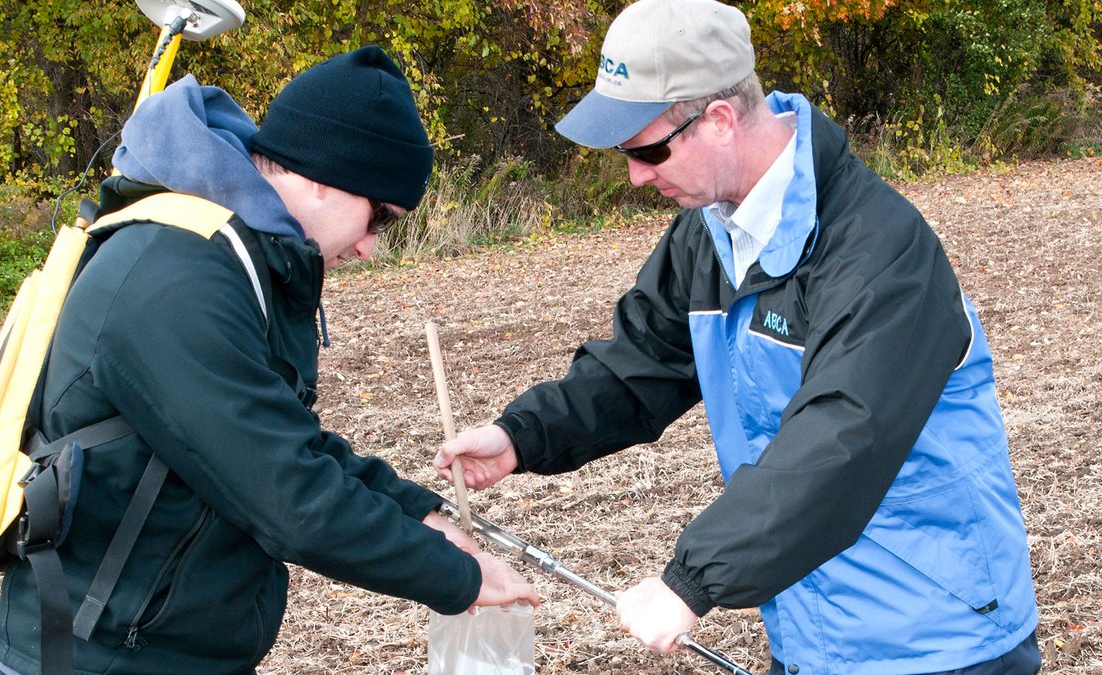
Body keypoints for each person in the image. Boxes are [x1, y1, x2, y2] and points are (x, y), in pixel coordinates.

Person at [434, 1, 1040, 673]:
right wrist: (522, 435)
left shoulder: (879, 252)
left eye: (647, 149)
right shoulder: (709, 235)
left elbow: (841, 438)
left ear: (719, 120)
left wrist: (691, 581)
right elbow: (639, 366)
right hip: (813, 637)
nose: (636, 174)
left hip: (939, 637)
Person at [0, 46, 538, 674]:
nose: (369, 247)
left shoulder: (234, 257)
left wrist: (419, 514)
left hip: (163, 647)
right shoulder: (175, 277)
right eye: (380, 218)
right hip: (99, 654)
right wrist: (456, 576)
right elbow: (283, 491)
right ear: (324, 176)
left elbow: (284, 435)